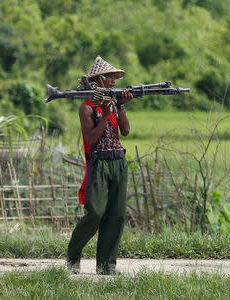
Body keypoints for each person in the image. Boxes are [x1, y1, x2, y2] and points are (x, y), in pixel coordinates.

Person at [66, 56, 133, 275]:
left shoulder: (114, 101)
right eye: (110, 77)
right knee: (95, 211)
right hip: (99, 163)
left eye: (115, 77)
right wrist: (104, 114)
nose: (114, 80)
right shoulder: (86, 108)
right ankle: (73, 255)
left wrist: (120, 107)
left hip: (118, 161)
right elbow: (92, 138)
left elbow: (126, 131)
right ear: (98, 80)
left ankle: (106, 266)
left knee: (117, 214)